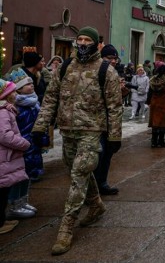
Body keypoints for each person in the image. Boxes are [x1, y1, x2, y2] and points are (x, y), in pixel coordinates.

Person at [31, 26, 123, 255]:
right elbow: (51, 98)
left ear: (94, 43)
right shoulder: (64, 68)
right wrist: (40, 126)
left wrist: (114, 136)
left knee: (78, 174)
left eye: (87, 40)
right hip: (68, 129)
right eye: (79, 39)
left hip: (92, 130)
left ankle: (66, 228)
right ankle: (96, 205)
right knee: (77, 169)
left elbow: (114, 107)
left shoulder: (105, 70)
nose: (82, 43)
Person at [5, 69, 42, 220]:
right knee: (17, 176)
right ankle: (14, 204)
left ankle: (23, 201)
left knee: (27, 174)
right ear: (18, 89)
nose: (31, 86)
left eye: (32, 83)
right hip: (20, 145)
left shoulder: (34, 102)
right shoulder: (14, 107)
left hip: (31, 143)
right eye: (27, 84)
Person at [93, 44, 124, 196]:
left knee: (108, 154)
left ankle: (102, 183)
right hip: (96, 122)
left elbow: (115, 101)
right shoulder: (98, 71)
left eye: (115, 58)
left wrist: (122, 91)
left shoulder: (114, 73)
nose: (113, 61)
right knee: (97, 155)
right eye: (109, 58)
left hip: (111, 121)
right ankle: (92, 189)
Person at [0, 79, 31, 235]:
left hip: (6, 157)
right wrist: (23, 143)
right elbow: (4, 135)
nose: (15, 93)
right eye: (12, 91)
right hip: (4, 157)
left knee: (4, 189)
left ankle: (3, 219)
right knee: (2, 191)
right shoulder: (3, 112)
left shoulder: (6, 109)